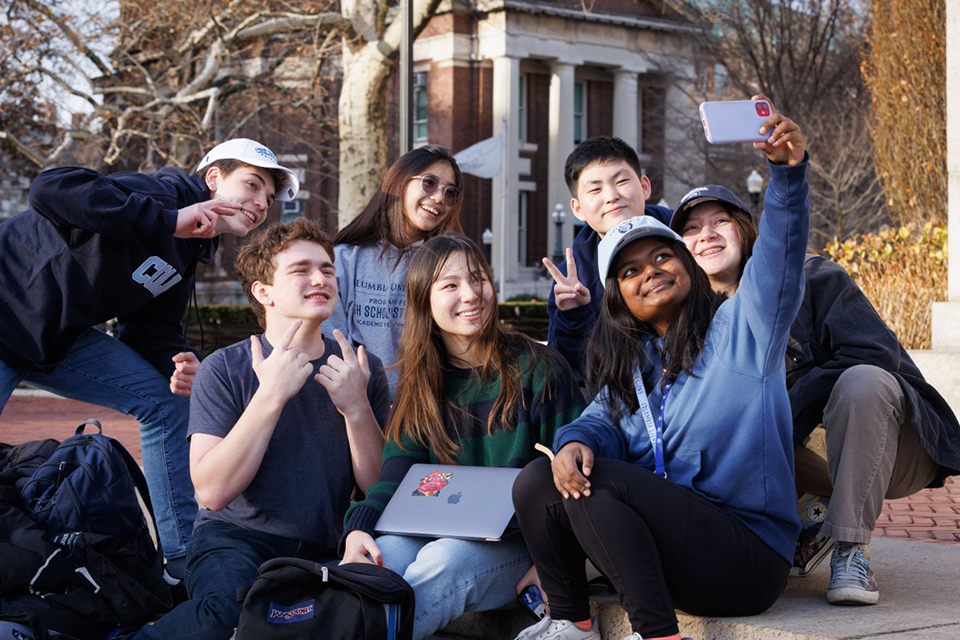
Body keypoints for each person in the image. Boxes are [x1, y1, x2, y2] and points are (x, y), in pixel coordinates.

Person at [512, 106, 807, 640]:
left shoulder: (744, 331)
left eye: (662, 257)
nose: (650, 272)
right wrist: (575, 439)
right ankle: (572, 622)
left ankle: (657, 635)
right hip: (670, 553)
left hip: (746, 559)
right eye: (630, 270)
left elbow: (779, 258)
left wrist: (787, 176)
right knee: (541, 478)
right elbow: (598, 420)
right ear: (619, 298)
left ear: (688, 266)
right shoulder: (632, 364)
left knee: (602, 482)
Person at [0, 138, 299, 578]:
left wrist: (179, 364)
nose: (259, 203)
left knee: (167, 401)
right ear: (212, 179)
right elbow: (50, 187)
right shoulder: (163, 195)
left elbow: (150, 329)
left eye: (268, 199)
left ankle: (181, 562)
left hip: (52, 340)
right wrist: (167, 219)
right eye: (252, 185)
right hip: (7, 311)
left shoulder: (188, 251)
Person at [670, 183, 960, 605]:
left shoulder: (812, 276)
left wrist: (783, 409)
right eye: (692, 229)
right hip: (803, 458)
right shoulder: (693, 320)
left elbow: (875, 353)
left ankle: (850, 551)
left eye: (720, 222)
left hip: (891, 448)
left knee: (863, 380)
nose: (706, 234)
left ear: (746, 228)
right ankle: (793, 525)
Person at [131, 218, 390, 639]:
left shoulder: (361, 369)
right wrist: (270, 395)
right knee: (229, 614)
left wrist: (357, 408)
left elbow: (377, 486)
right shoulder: (224, 368)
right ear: (263, 292)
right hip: (235, 539)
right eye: (301, 270)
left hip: (325, 544)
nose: (320, 278)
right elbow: (212, 492)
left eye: (326, 269)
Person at [340, 233, 585, 640]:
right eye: (450, 285)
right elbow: (397, 475)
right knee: (384, 556)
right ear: (424, 300)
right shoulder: (419, 385)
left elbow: (578, 479)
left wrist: (557, 562)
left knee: (444, 559)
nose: (471, 295)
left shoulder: (538, 369)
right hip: (437, 532)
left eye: (478, 278)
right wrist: (359, 528)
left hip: (524, 548)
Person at [327, 145, 465, 398]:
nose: (438, 198)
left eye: (449, 193)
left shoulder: (445, 263)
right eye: (429, 183)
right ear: (399, 181)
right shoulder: (344, 259)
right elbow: (330, 343)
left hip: (425, 412)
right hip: (354, 410)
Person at [544, 137, 673, 383]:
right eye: (595, 189)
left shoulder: (688, 237)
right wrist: (574, 316)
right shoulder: (572, 277)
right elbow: (571, 373)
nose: (612, 196)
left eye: (622, 181)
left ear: (645, 186)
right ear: (578, 208)